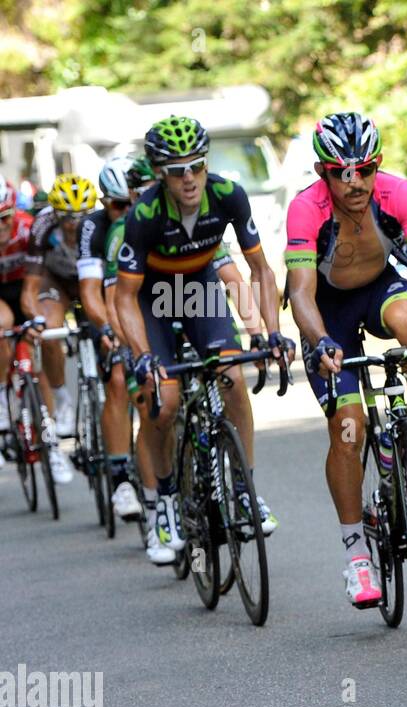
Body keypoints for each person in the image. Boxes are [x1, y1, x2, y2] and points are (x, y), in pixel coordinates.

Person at [286, 112, 407, 606]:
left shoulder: (398, 194)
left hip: (379, 287)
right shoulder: (304, 209)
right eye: (341, 172)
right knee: (348, 427)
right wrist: (318, 341)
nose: (355, 181)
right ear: (323, 172)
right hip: (327, 311)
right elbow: (300, 292)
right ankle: (357, 555)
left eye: (365, 168)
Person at [115, 116, 292, 562]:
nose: (189, 177)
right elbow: (124, 298)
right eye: (177, 170)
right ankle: (167, 502)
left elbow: (261, 271)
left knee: (231, 378)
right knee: (166, 399)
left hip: (199, 290)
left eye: (196, 166)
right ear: (161, 173)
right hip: (153, 298)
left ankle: (245, 489)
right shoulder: (146, 214)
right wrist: (141, 356)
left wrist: (269, 332)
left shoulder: (228, 194)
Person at [17, 173, 99, 481]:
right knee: (49, 328)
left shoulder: (100, 222)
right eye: (66, 216)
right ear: (55, 212)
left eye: (80, 216)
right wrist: (34, 319)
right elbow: (30, 288)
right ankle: (63, 399)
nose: (73, 223)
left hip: (92, 281)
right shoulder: (42, 226)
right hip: (58, 283)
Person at [75, 156, 143, 520]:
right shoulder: (94, 227)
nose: (126, 211)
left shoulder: (145, 218)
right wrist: (105, 329)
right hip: (105, 305)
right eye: (118, 206)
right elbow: (90, 290)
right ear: (105, 203)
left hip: (143, 304)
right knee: (118, 377)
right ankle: (120, 480)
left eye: (130, 202)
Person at [0, 178, 35, 442]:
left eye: (5, 217)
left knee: (39, 334)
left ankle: (48, 419)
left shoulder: (27, 227)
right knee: (3, 325)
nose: (1, 226)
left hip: (24, 286)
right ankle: (2, 395)